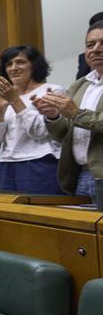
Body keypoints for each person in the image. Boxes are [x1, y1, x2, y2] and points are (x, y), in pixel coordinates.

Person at [37, 23, 103, 203]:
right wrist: (53, 116)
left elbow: (77, 116)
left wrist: (76, 113)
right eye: (90, 45)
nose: (96, 49)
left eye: (102, 43)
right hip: (80, 175)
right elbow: (65, 135)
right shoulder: (79, 85)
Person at [0, 46, 62, 195]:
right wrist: (0, 109)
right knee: (11, 216)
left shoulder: (52, 90)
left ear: (34, 65)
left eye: (20, 62)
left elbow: (40, 131)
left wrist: (15, 100)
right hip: (7, 163)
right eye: (9, 64)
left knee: (40, 214)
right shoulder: (6, 95)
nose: (14, 68)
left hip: (39, 162)